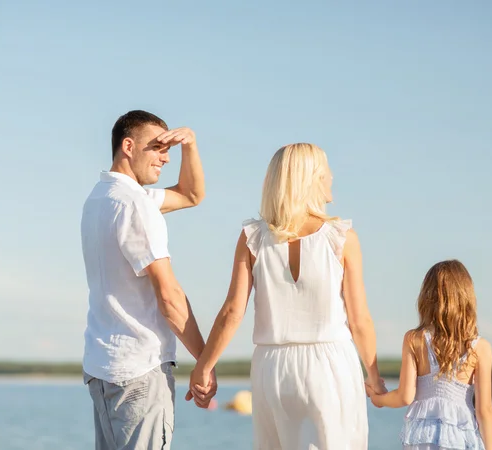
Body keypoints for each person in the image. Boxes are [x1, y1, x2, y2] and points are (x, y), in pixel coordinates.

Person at [189, 143, 385, 449]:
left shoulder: (252, 237)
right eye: (325, 171)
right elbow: (360, 320)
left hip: (271, 367)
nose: (331, 177)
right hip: (329, 364)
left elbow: (232, 311)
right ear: (311, 178)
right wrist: (373, 375)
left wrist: (203, 367)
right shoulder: (342, 238)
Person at [81, 110, 217, 450]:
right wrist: (204, 362)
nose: (165, 158)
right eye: (157, 147)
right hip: (139, 371)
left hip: (104, 367)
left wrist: (191, 146)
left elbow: (190, 195)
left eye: (168, 149)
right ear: (128, 146)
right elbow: (169, 297)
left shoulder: (101, 197)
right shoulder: (134, 205)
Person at [367, 260, 492, 450]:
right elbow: (484, 410)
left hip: (422, 439)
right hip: (460, 438)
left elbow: (404, 397)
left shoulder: (415, 339)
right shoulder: (480, 347)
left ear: (427, 297)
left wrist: (378, 398)